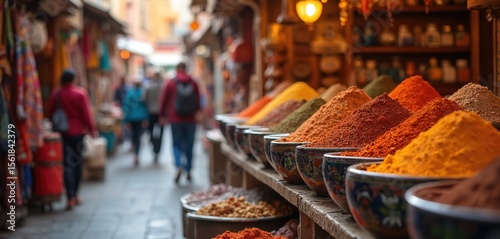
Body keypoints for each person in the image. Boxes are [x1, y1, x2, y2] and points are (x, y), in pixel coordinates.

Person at [47, 69, 98, 210]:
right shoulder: (80, 93)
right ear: (74, 79)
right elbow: (86, 113)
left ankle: (69, 197)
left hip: (62, 133)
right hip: (78, 133)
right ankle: (75, 194)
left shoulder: (56, 93)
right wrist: (92, 130)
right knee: (77, 163)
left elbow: (50, 113)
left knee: (66, 164)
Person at [160, 62, 201, 183]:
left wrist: (162, 115)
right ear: (186, 69)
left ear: (177, 69)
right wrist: (199, 112)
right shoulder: (193, 82)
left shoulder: (171, 83)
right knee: (190, 144)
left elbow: (164, 100)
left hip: (175, 119)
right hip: (190, 119)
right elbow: (198, 99)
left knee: (176, 144)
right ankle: (188, 169)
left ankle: (179, 165)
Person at [122, 77, 149, 166]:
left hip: (131, 118)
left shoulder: (130, 94)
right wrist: (146, 118)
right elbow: (146, 107)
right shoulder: (143, 93)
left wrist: (126, 120)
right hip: (141, 118)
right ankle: (137, 154)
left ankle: (135, 151)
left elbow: (126, 107)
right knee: (138, 136)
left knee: (133, 135)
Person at [143, 72, 164, 163]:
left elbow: (144, 99)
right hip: (160, 113)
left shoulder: (148, 87)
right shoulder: (163, 88)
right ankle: (157, 149)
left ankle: (154, 146)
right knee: (161, 133)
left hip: (150, 112)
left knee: (150, 131)